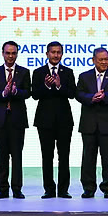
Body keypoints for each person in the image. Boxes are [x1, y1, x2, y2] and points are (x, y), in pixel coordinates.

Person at [75, 47, 108, 198]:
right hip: (89, 124)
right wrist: (92, 98)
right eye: (101, 59)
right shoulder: (84, 76)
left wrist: (105, 97)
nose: (104, 62)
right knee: (88, 157)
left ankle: (107, 187)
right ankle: (88, 188)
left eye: (106, 59)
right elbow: (78, 94)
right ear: (93, 60)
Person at [32, 41, 76, 199]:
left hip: (64, 120)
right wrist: (45, 85)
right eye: (53, 52)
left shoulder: (68, 72)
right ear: (47, 54)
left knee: (64, 155)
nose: (56, 55)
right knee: (47, 155)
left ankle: (63, 189)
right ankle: (49, 189)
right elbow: (35, 94)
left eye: (58, 52)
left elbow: (72, 94)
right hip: (44, 120)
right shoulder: (38, 72)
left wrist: (59, 86)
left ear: (62, 54)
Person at [0, 41, 31, 199]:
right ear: (3, 53)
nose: (10, 56)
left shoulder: (24, 72)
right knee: (2, 156)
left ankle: (17, 189)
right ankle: (3, 189)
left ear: (17, 54)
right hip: (0, 120)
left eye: (13, 53)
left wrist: (16, 91)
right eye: (8, 53)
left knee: (17, 156)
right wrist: (4, 93)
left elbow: (28, 93)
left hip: (17, 119)